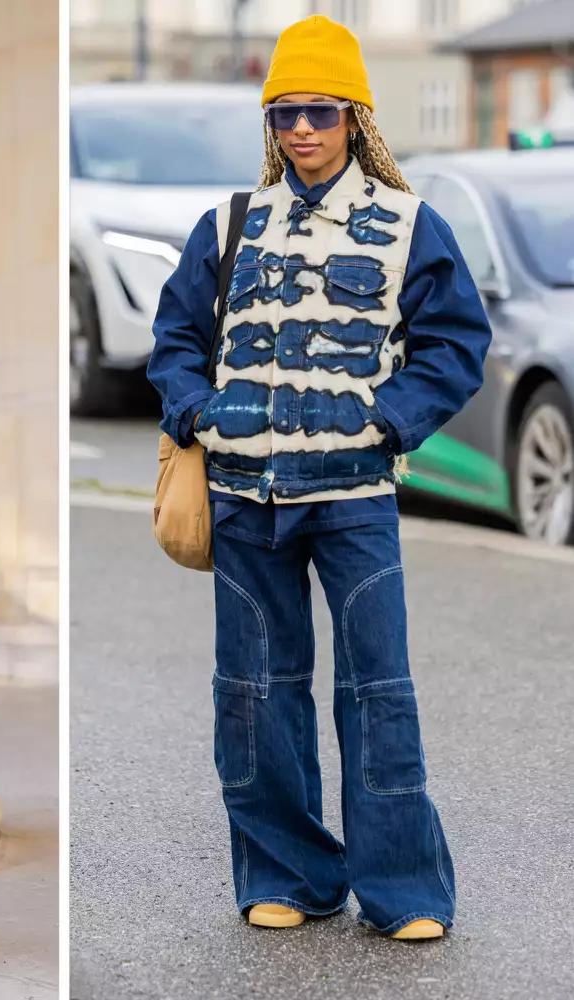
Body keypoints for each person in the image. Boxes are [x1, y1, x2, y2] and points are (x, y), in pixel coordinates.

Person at [148, 15, 490, 941]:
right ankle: (290, 874)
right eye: (286, 113)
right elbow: (176, 338)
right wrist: (196, 409)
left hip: (355, 498)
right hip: (243, 500)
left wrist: (391, 419)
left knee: (380, 689)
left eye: (321, 113)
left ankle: (405, 891)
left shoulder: (412, 224)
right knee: (255, 693)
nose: (302, 130)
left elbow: (457, 344)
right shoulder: (227, 224)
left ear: (355, 118)